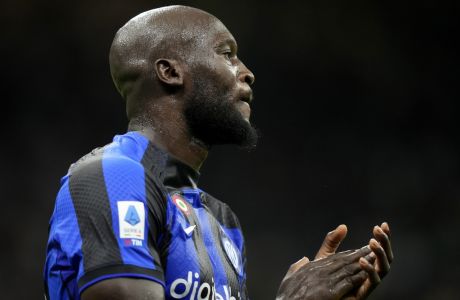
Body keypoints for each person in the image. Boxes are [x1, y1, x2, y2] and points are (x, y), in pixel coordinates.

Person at [43, 5, 393, 300]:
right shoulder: (113, 176)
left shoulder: (221, 221)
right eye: (227, 54)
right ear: (170, 72)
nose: (247, 73)